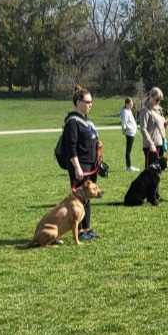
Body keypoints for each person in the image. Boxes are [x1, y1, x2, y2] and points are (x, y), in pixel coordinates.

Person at [60, 85, 101, 242]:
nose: (91, 104)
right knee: (79, 199)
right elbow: (71, 147)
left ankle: (87, 228)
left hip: (91, 165)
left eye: (92, 102)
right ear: (78, 102)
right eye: (87, 101)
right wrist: (77, 167)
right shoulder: (72, 121)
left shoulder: (87, 121)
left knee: (88, 197)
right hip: (80, 166)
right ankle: (80, 230)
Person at [139, 87, 168, 171]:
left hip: (160, 144)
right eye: (157, 99)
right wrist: (151, 143)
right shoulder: (145, 111)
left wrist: (165, 124)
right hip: (150, 146)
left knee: (158, 171)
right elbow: (143, 128)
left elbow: (160, 126)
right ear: (151, 97)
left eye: (160, 100)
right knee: (150, 172)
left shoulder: (159, 110)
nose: (158, 102)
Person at [120, 97, 139, 171]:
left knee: (129, 150)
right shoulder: (124, 111)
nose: (132, 105)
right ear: (126, 104)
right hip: (129, 133)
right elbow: (124, 122)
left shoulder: (129, 110)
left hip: (132, 132)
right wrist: (124, 130)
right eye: (131, 104)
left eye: (132, 104)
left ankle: (129, 166)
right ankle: (129, 167)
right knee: (128, 151)